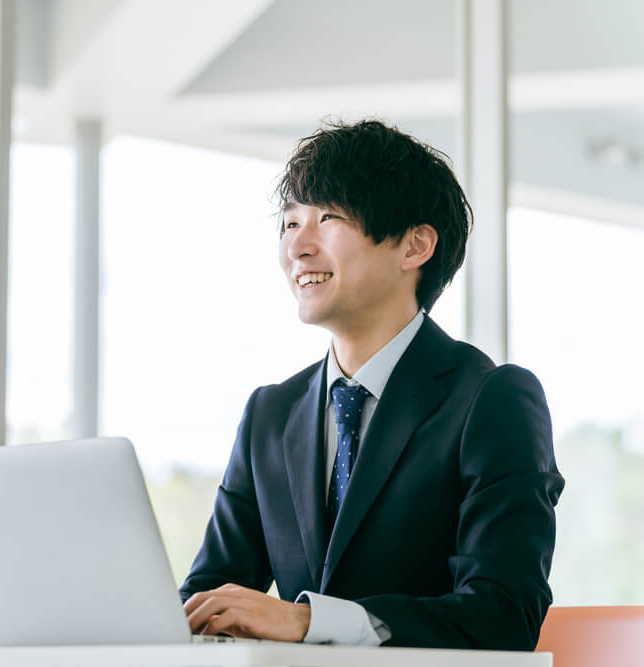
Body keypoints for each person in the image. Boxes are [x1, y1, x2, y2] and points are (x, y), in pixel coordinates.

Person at [179, 120, 564, 649]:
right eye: (290, 224)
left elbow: (503, 613)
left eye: (329, 218)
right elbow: (207, 597)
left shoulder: (492, 401)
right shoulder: (271, 413)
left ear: (414, 245)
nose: (299, 248)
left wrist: (310, 622)